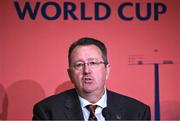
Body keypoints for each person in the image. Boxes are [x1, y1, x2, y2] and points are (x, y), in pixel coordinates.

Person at [32, 37, 151, 120]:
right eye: (79, 64)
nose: (87, 70)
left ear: (107, 70)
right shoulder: (47, 112)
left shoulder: (136, 112)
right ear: (70, 74)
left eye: (93, 63)